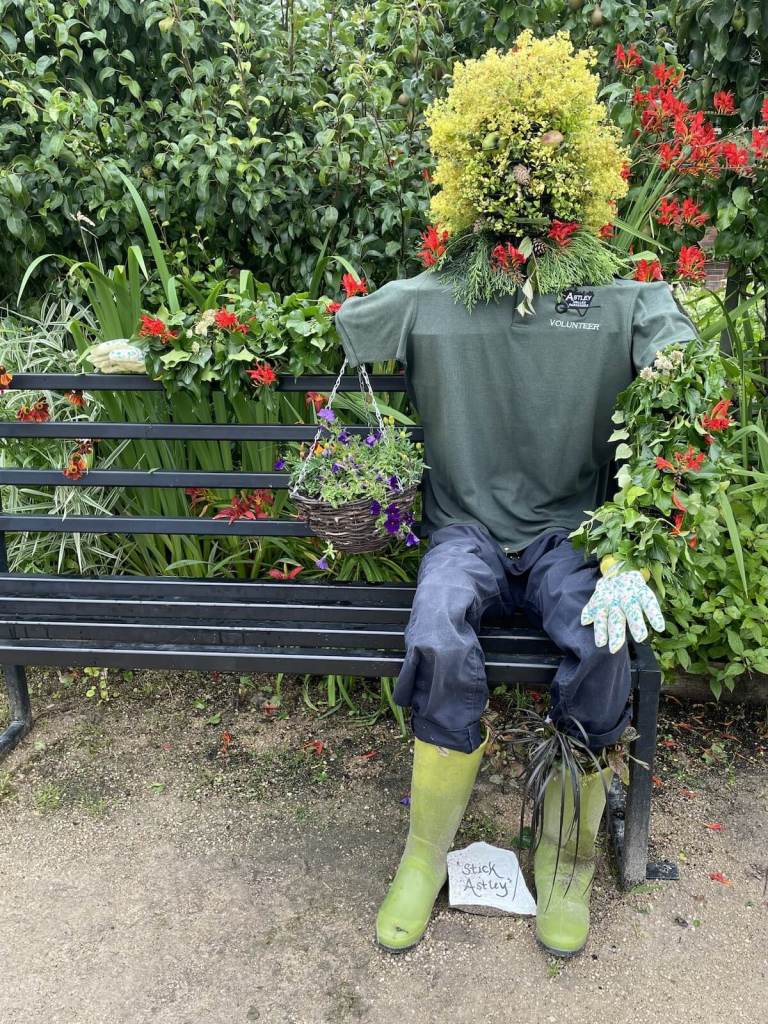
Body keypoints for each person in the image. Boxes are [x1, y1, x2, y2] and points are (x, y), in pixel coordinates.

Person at [333, 32, 699, 958]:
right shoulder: (439, 296)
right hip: (464, 531)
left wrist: (636, 523)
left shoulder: (614, 299)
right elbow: (357, 324)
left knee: (601, 635)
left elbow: (674, 342)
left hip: (570, 534)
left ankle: (566, 857)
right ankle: (425, 853)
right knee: (436, 625)